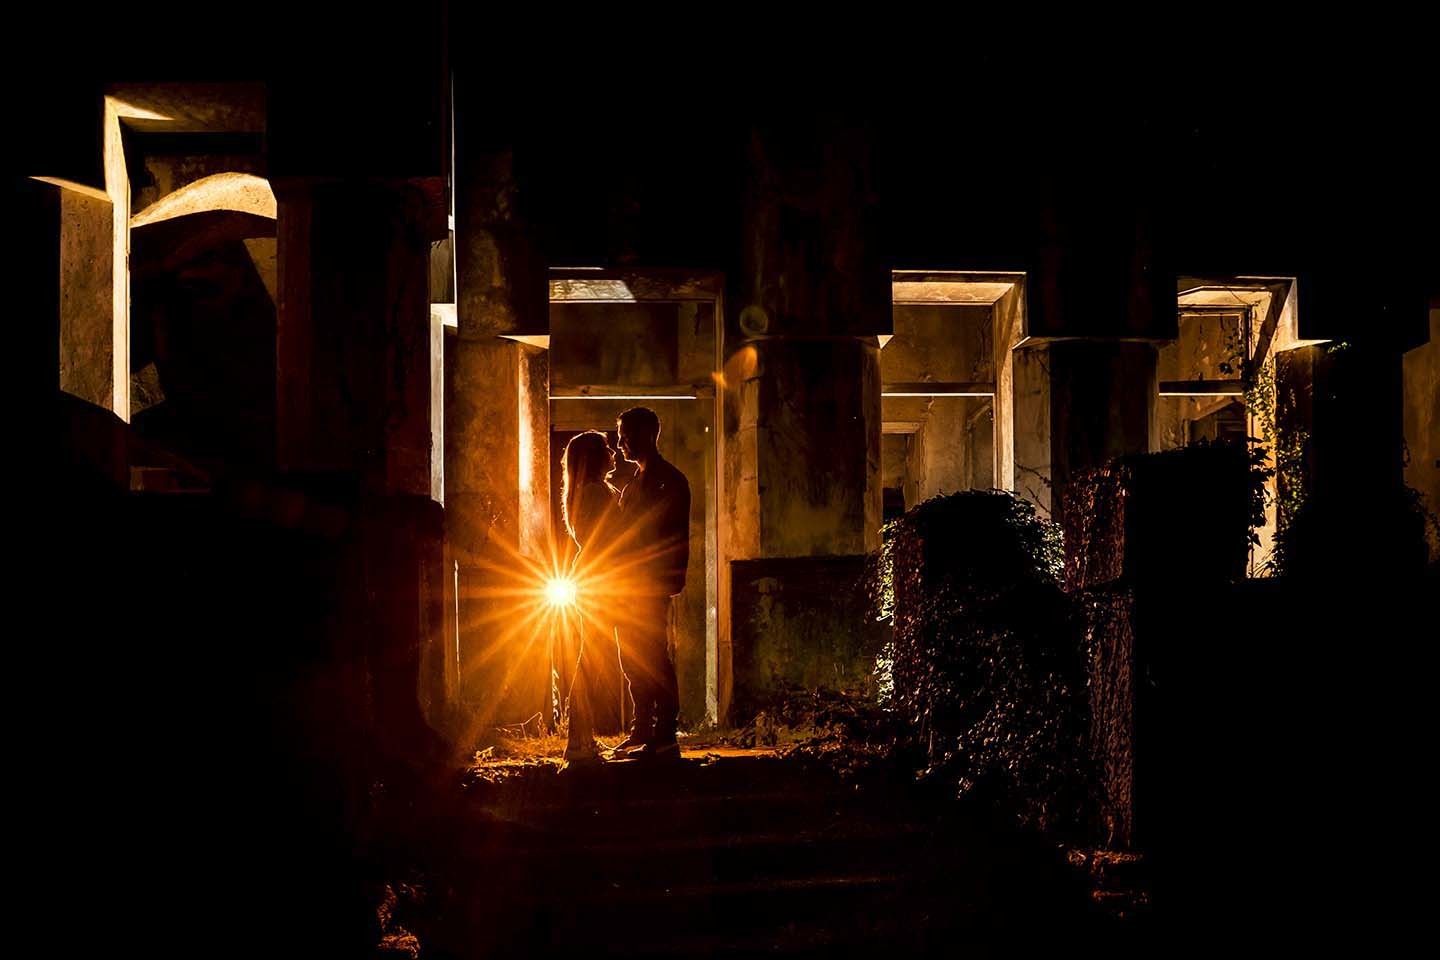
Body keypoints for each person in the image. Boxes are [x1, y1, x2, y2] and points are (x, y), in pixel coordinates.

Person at [610, 407, 690, 762]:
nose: (620, 442)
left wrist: (669, 578)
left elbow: (670, 537)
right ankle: (642, 729)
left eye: (624, 435)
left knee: (653, 656)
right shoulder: (634, 484)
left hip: (650, 583)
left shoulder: (670, 481)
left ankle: (665, 733)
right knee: (632, 658)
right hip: (628, 584)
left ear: (644, 435)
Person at [557, 431, 621, 769]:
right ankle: (578, 739)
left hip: (591, 575)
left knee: (590, 658)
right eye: (606, 448)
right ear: (594, 459)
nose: (613, 452)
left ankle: (580, 738)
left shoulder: (581, 494)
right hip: (601, 576)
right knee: (591, 660)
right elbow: (614, 535)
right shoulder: (596, 494)